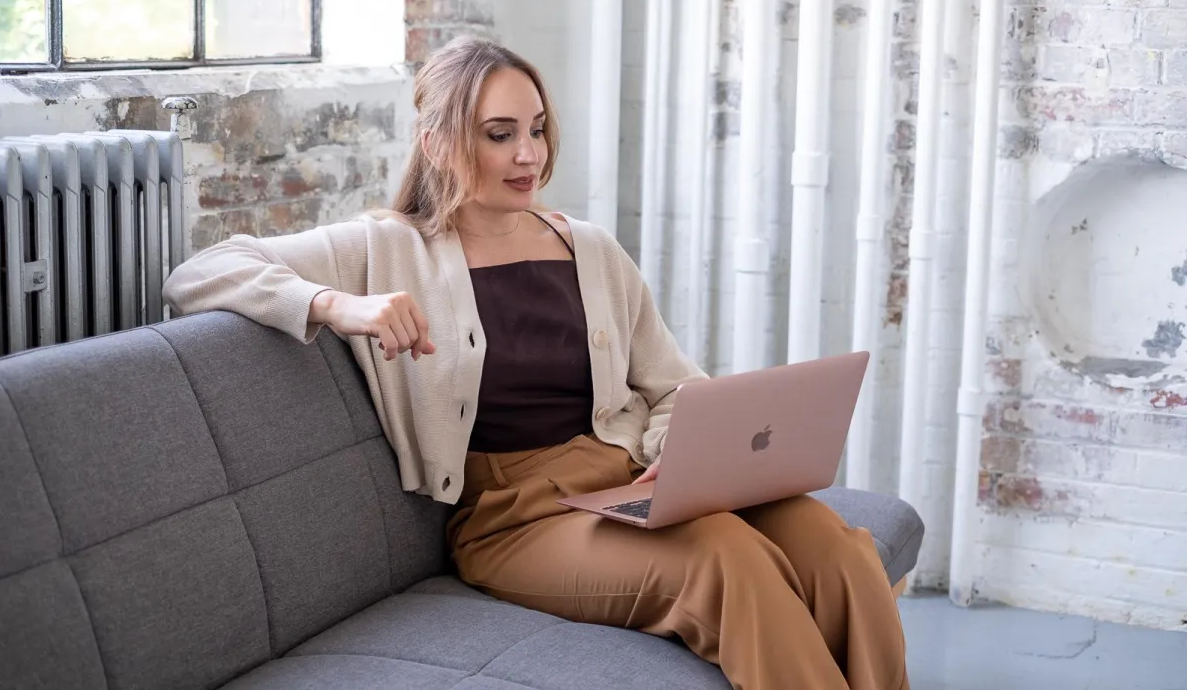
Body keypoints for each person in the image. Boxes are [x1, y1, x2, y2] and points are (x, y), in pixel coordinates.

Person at [162, 36, 909, 690]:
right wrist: (336, 306)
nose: (530, 155)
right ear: (438, 142)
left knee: (833, 546)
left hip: (629, 482)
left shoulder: (589, 248)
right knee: (728, 559)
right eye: (500, 134)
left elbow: (675, 384)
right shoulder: (387, 246)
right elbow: (200, 273)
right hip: (517, 519)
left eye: (538, 130)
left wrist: (672, 451)